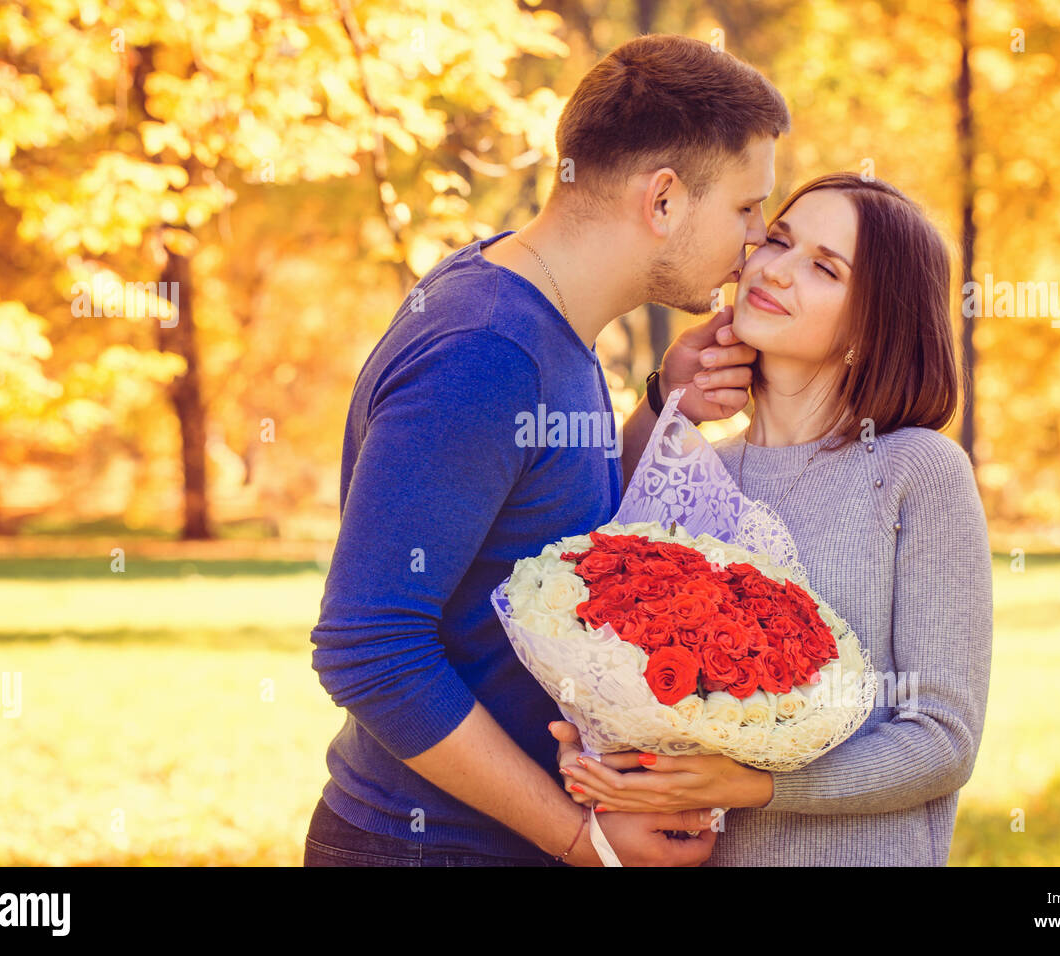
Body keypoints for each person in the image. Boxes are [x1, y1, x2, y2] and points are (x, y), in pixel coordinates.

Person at [303, 34, 792, 867]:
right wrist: (578, 838)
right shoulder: (490, 350)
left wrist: (657, 408)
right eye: (747, 209)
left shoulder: (546, 316)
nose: (755, 243)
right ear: (664, 201)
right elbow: (368, 647)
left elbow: (555, 531)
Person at [555, 172, 994, 866]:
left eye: (824, 268)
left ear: (874, 323)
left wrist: (757, 786)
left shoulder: (917, 470)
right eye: (779, 240)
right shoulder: (698, 470)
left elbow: (942, 739)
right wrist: (605, 745)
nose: (777, 270)